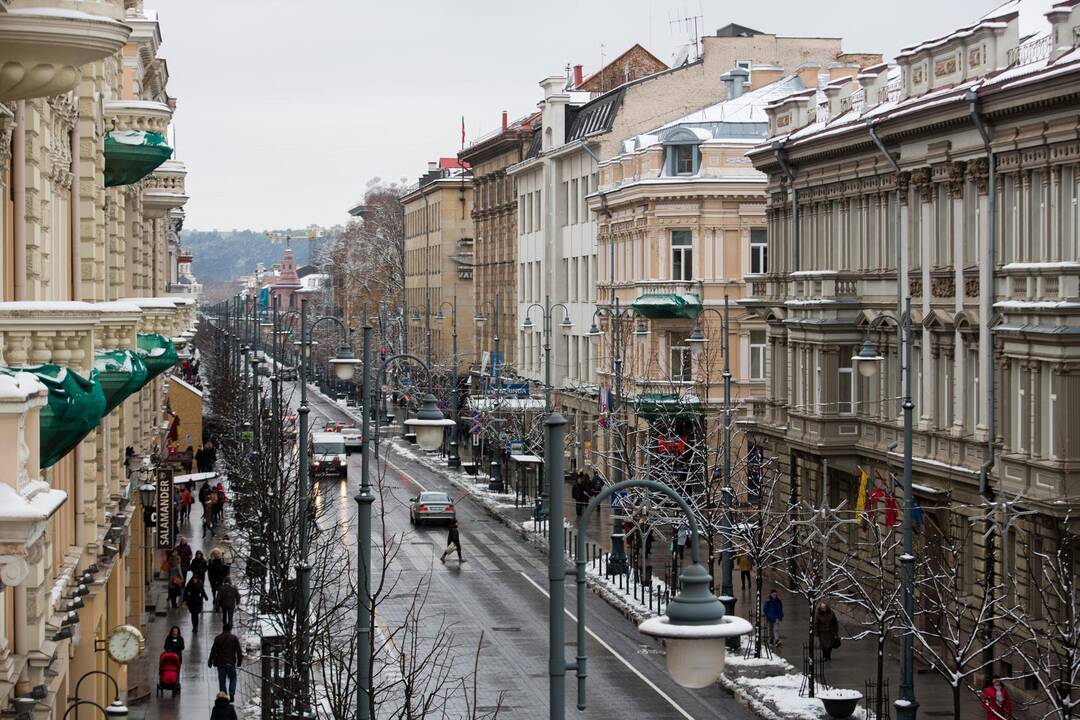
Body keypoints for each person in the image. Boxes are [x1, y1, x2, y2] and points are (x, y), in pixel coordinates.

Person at [208, 624, 243, 703]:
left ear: (223, 629)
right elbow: (238, 651)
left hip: (221, 663)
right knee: (233, 678)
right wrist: (239, 662)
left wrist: (210, 661)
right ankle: (231, 692)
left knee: (222, 681)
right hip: (231, 663)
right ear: (230, 629)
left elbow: (213, 651)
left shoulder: (218, 638)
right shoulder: (234, 638)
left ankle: (224, 697)